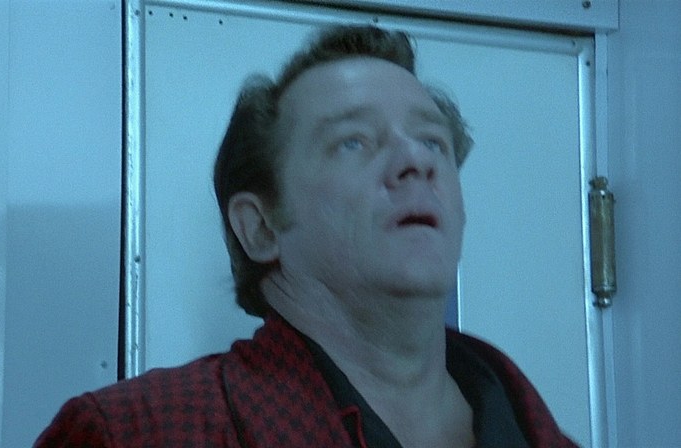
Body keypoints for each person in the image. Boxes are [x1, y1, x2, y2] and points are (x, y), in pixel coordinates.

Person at [35, 25, 577, 447]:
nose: (416, 160)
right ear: (260, 227)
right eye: (353, 142)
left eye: (433, 141)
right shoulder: (133, 436)